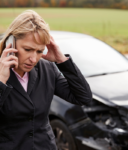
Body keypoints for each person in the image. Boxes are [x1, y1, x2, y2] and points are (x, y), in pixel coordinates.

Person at [0, 10, 92, 150]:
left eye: (39, 51)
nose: (33, 59)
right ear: (11, 43)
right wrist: (1, 81)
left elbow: (83, 97)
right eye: (28, 49)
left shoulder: (47, 69)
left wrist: (62, 61)